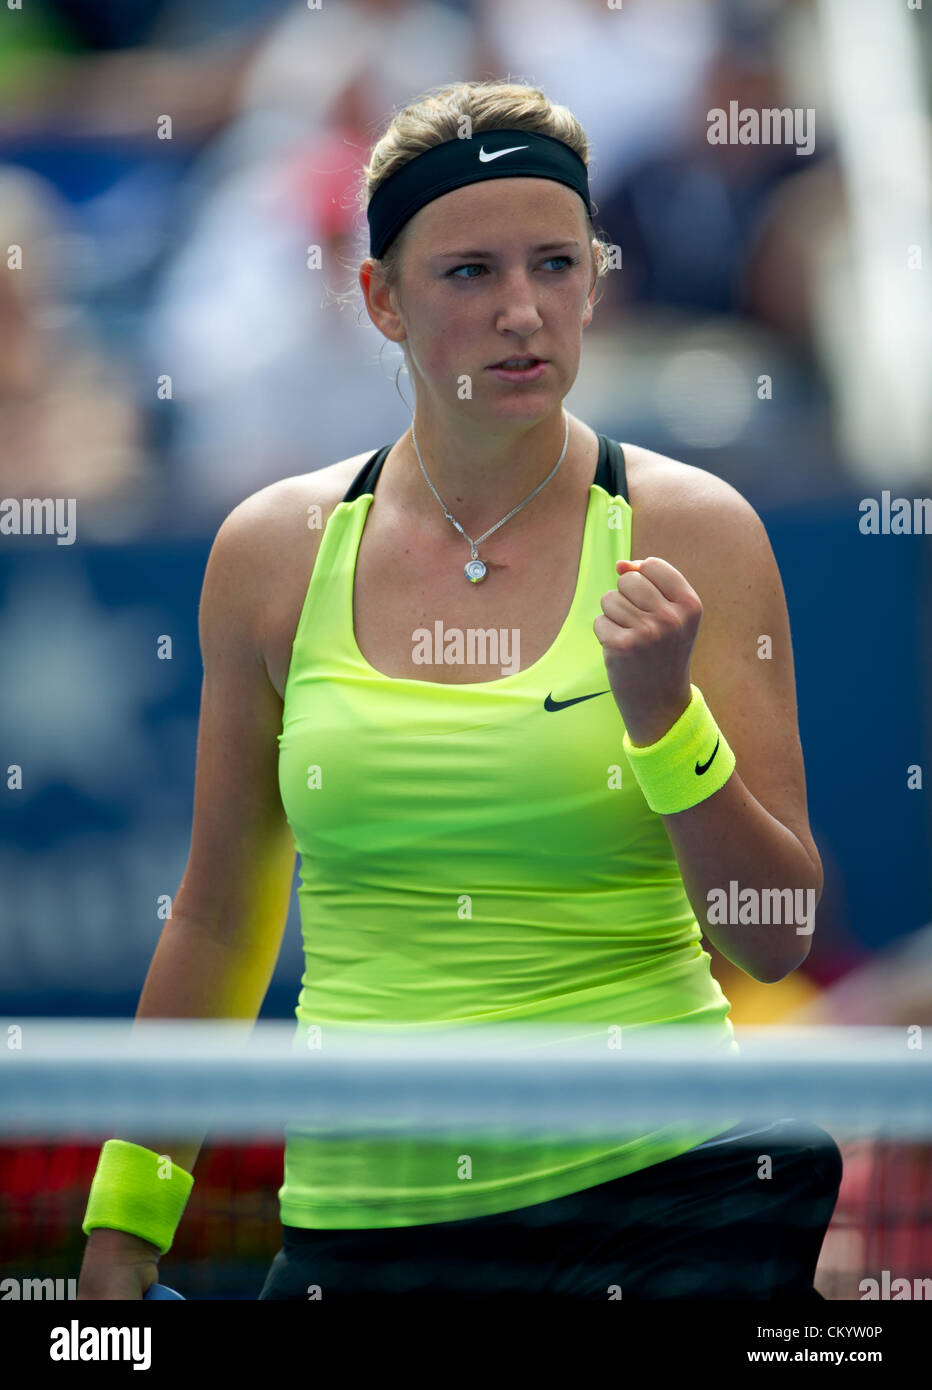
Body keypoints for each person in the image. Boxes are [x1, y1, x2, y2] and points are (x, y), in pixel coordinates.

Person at [78, 78, 841, 1302]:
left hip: (667, 1208)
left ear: (594, 277)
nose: (522, 312)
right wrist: (122, 1233)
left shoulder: (698, 528)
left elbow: (774, 934)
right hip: (362, 1231)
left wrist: (663, 722)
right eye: (468, 273)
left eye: (553, 263)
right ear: (381, 298)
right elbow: (219, 920)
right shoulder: (271, 554)